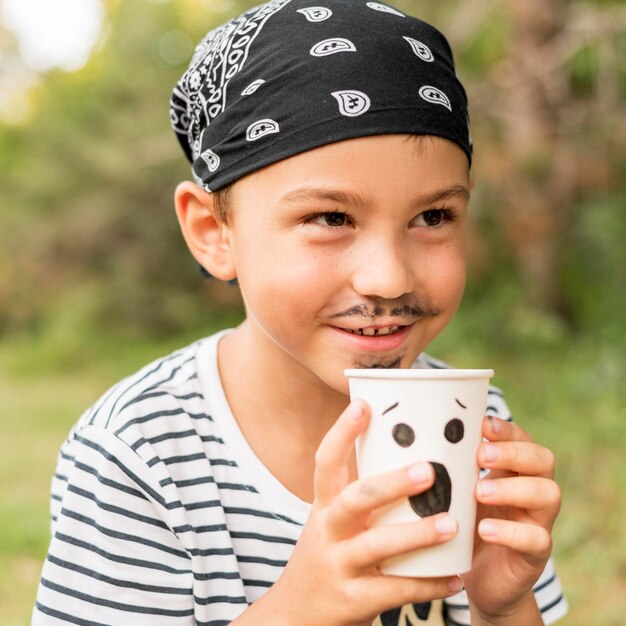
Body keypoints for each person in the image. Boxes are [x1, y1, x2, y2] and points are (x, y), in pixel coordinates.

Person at [32, 1, 568, 625]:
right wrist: (299, 610)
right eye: (331, 218)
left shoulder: (471, 426)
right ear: (214, 231)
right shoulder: (141, 455)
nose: (388, 276)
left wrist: (503, 607)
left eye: (433, 217)